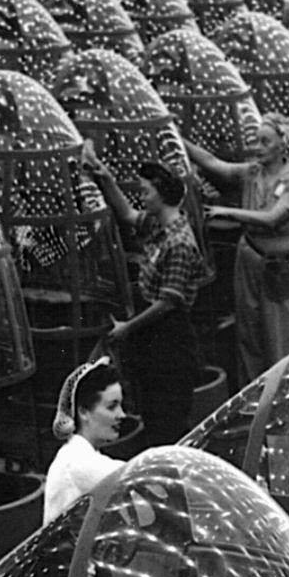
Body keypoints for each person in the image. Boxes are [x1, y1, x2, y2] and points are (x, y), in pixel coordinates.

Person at [86, 150, 205, 449]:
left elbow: (168, 303)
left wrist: (128, 327)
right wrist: (104, 177)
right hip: (154, 340)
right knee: (155, 415)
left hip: (171, 342)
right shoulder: (159, 225)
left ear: (162, 195)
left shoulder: (179, 242)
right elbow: (127, 214)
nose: (143, 197)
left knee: (168, 422)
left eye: (147, 192)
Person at [186, 113, 289, 385]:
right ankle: (252, 397)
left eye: (265, 142)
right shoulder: (252, 172)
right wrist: (180, 140)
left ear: (282, 145)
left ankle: (281, 394)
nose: (259, 147)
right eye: (257, 141)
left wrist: (228, 212)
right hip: (249, 256)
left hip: (279, 265)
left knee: (279, 336)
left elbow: (274, 218)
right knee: (249, 333)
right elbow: (214, 164)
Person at [45, 357, 126, 522]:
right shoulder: (77, 460)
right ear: (83, 412)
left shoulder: (82, 454)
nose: (122, 415)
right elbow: (137, 478)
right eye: (112, 406)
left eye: (121, 406)